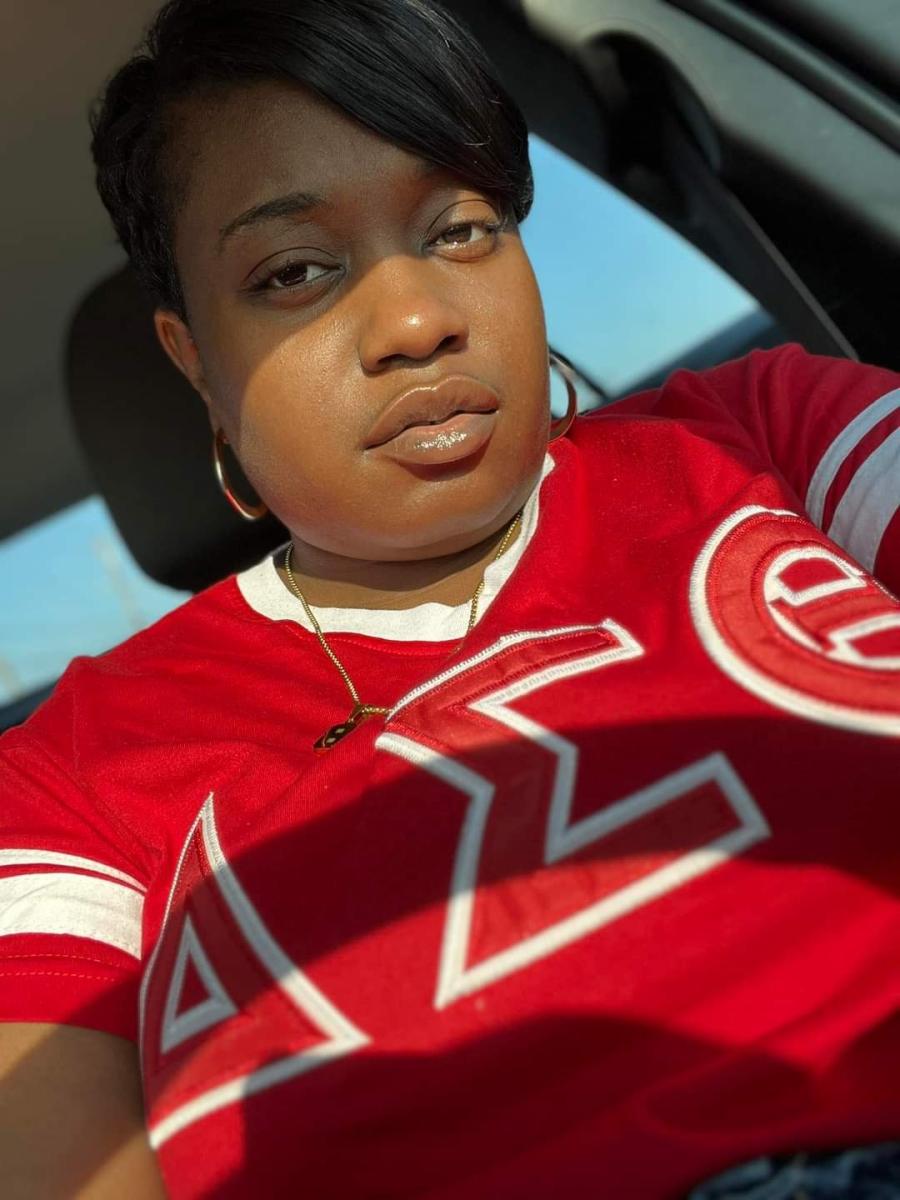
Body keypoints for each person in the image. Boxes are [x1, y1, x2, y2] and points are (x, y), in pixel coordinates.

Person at [1, 0, 899, 1196]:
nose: (419, 323)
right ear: (196, 362)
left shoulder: (776, 435)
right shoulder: (72, 776)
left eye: (462, 229)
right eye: (295, 272)